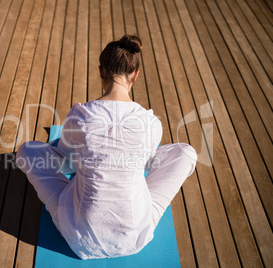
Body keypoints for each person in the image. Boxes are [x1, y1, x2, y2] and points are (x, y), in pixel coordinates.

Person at [16, 35, 197, 260]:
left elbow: (64, 158)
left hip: (79, 236)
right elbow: (148, 164)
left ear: (101, 71)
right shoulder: (151, 123)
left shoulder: (81, 115)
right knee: (187, 153)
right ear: (135, 75)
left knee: (27, 150)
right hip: (135, 236)